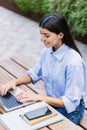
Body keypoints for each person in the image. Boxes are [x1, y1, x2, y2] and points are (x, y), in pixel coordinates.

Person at [0, 13, 87, 124]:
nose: (42, 39)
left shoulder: (74, 62)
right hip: (50, 102)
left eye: (46, 35)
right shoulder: (47, 51)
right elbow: (34, 74)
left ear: (60, 35)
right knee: (16, 119)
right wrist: (14, 82)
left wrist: (38, 97)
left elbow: (69, 101)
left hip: (70, 110)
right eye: (41, 34)